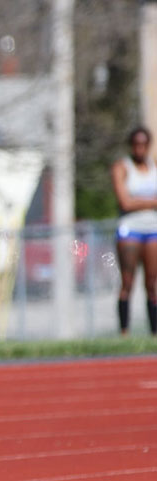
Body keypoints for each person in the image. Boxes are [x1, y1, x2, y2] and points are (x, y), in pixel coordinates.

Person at [110, 126, 157, 336]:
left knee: (152, 283)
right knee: (127, 282)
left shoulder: (154, 166)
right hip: (130, 230)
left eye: (144, 144)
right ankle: (124, 332)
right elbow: (125, 202)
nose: (140, 148)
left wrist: (138, 201)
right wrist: (152, 202)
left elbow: (132, 200)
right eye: (136, 144)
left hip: (152, 229)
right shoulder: (122, 167)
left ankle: (154, 333)